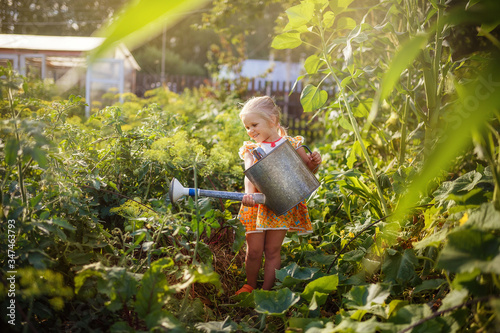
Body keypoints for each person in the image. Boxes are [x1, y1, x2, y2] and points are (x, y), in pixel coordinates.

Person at [235, 96, 322, 295]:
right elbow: (250, 173)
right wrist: (249, 195)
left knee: (273, 250)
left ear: (273, 120)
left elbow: (306, 172)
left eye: (254, 124)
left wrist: (315, 162)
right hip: (257, 204)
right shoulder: (252, 149)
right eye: (247, 127)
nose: (250, 131)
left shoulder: (292, 144)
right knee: (254, 250)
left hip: (281, 203)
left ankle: (266, 291)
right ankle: (250, 285)